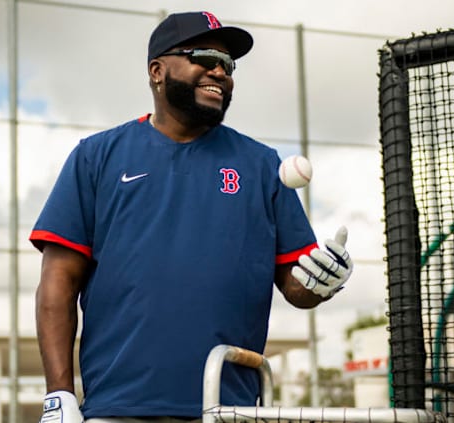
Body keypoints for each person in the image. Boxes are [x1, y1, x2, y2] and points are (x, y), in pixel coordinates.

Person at [31, 11, 353, 423]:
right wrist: (59, 394)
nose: (220, 71)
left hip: (229, 408)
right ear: (157, 71)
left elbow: (297, 287)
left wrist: (323, 279)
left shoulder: (260, 165)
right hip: (118, 408)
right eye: (204, 56)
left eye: (228, 64)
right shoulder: (96, 156)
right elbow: (58, 281)